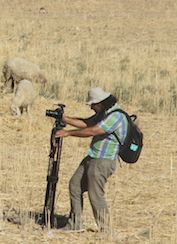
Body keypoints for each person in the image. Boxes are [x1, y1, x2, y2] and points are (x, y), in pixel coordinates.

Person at [55, 87, 128, 233]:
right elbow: (87, 123)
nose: (91, 107)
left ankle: (106, 230)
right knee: (75, 185)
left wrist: (68, 133)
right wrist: (65, 119)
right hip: (93, 156)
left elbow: (93, 131)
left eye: (92, 104)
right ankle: (75, 223)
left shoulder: (116, 116)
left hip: (103, 161)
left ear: (100, 103)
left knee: (95, 195)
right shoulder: (104, 112)